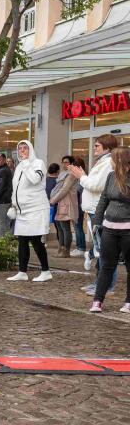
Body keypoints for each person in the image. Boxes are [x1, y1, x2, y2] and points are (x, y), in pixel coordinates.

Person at [69, 134, 118, 296]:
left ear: (107, 147)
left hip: (99, 211)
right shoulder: (102, 162)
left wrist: (81, 176)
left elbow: (96, 186)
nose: (94, 148)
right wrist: (83, 175)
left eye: (97, 145)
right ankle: (99, 283)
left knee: (105, 252)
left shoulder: (108, 163)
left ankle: (107, 287)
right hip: (94, 211)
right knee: (100, 251)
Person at [90, 147, 130, 313]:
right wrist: (97, 221)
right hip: (109, 228)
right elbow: (104, 199)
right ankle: (97, 300)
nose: (110, 161)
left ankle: (128, 302)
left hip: (128, 230)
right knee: (106, 265)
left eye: (113, 158)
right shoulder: (110, 176)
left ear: (120, 160)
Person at [6, 140, 52, 282]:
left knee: (36, 240)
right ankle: (22, 272)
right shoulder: (19, 166)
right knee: (22, 241)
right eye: (20, 148)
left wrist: (26, 164)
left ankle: (46, 271)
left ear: (30, 149)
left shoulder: (38, 163)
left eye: (25, 148)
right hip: (22, 211)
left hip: (36, 208)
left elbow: (35, 179)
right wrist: (14, 204)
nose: (22, 151)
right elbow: (16, 187)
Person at [49, 156, 79, 258]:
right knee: (59, 228)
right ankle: (60, 249)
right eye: (63, 162)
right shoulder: (62, 174)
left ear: (71, 163)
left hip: (66, 203)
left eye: (66, 162)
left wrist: (53, 200)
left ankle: (66, 251)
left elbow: (64, 190)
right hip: (59, 203)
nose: (64, 164)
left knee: (65, 228)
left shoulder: (71, 174)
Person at [0, 153, 13, 237]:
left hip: (1, 201)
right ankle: (7, 241)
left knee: (0, 223)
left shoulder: (3, 171)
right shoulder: (3, 170)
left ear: (4, 160)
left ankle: (2, 242)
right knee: (6, 223)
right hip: (5, 200)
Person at [71, 156, 88, 257]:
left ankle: (81, 248)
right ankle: (79, 247)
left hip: (79, 205)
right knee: (77, 226)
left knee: (78, 227)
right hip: (77, 205)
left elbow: (79, 191)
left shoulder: (81, 178)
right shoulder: (80, 177)